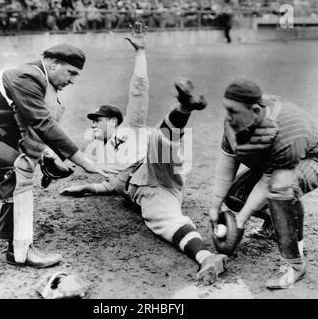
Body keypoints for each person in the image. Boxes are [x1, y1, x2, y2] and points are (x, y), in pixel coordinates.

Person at [61, 22, 228, 285]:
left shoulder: (130, 126)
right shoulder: (99, 157)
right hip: (148, 192)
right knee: (164, 223)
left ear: (114, 121)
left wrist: (140, 53)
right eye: (92, 120)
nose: (93, 124)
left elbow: (138, 89)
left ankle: (184, 106)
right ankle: (207, 258)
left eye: (98, 119)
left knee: (156, 144)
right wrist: (88, 188)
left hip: (153, 165)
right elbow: (113, 185)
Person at [0, 43, 115, 268]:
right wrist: (85, 162)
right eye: (71, 72)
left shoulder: (37, 79)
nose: (73, 80)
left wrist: (46, 156)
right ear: (54, 63)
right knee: (19, 168)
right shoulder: (29, 76)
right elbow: (42, 124)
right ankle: (20, 252)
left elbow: (30, 129)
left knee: (11, 162)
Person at [209, 78, 318, 289]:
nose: (227, 116)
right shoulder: (237, 120)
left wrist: (239, 222)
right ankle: (275, 226)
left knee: (282, 191)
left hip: (316, 158)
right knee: (235, 196)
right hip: (275, 163)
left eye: (232, 111)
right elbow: (227, 163)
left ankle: (295, 263)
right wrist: (214, 207)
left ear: (255, 110)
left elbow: (268, 182)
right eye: (226, 109)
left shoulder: (288, 130)